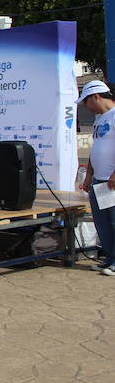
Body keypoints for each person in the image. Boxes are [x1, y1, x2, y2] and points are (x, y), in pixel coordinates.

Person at [78, 80, 115, 274]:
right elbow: (96, 149)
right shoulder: (100, 119)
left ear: (96, 96)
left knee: (114, 220)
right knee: (102, 222)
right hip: (100, 180)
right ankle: (109, 258)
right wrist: (89, 175)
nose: (86, 106)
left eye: (86, 102)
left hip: (112, 181)